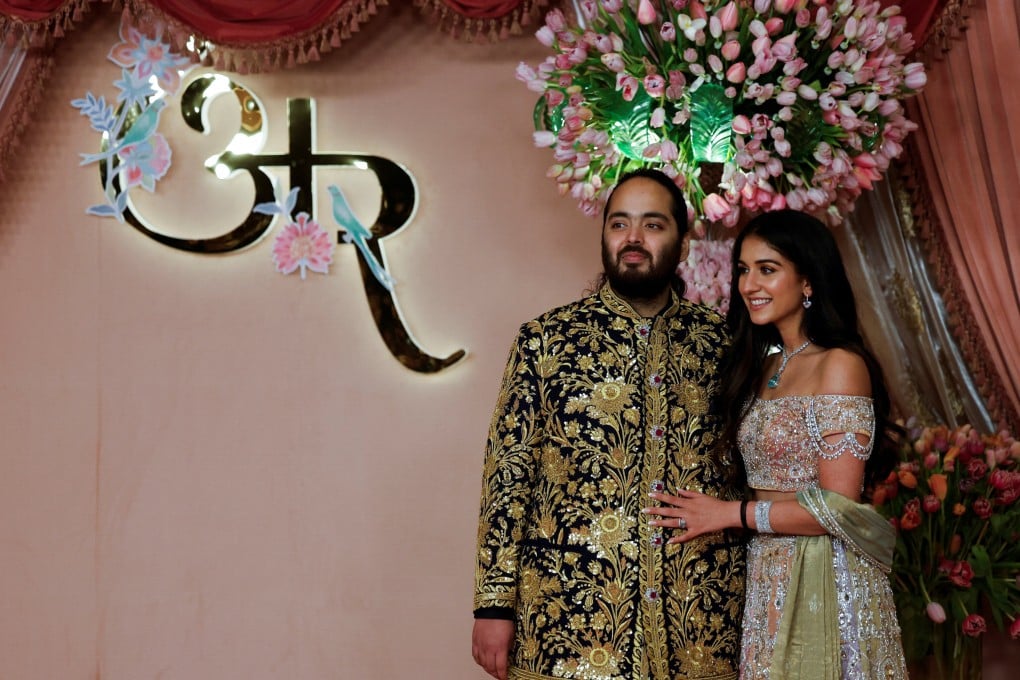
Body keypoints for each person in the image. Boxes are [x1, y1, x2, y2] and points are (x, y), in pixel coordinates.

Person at [471, 169, 746, 680]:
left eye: (653, 225)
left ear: (683, 244)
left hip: (700, 616)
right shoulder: (545, 341)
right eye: (619, 224)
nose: (633, 239)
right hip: (572, 616)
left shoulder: (724, 345)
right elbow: (507, 475)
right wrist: (493, 604)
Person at [645, 210, 907, 679]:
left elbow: (837, 506)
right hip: (767, 571)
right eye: (743, 270)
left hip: (828, 575)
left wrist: (729, 514)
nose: (749, 284)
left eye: (768, 269)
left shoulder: (840, 364)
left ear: (808, 280)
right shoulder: (762, 367)